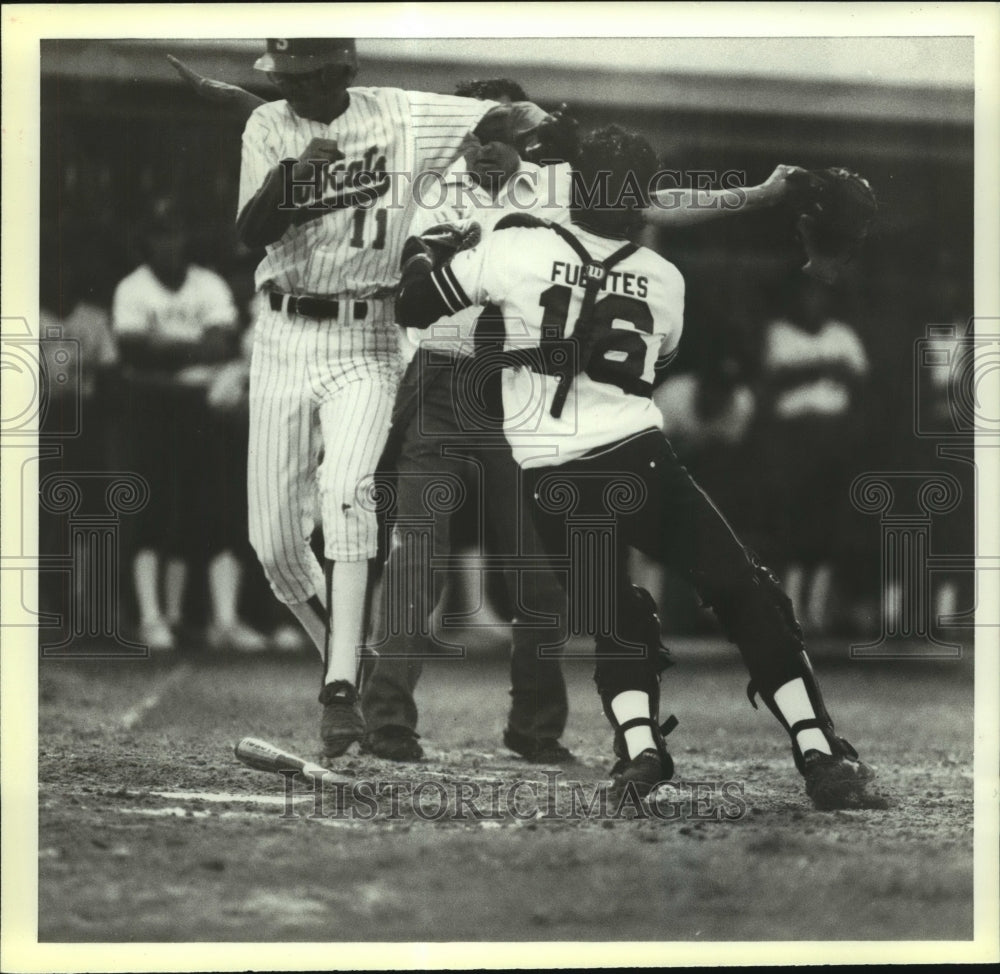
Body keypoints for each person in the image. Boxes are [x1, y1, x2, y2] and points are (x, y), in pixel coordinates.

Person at [396, 125, 887, 811]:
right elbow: (661, 358)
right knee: (745, 592)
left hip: (552, 474)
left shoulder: (512, 246)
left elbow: (412, 307)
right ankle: (816, 748)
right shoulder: (664, 278)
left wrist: (431, 255)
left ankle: (639, 748)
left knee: (616, 616)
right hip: (641, 455)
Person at [234, 38, 545, 760]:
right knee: (280, 545)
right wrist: (291, 176)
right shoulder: (285, 130)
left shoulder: (417, 124)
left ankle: (349, 691)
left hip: (400, 347)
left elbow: (504, 118)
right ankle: (355, 667)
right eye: (284, 81)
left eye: (306, 79)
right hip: (332, 343)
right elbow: (250, 229)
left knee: (354, 501)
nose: (292, 91)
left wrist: (538, 131)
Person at [112, 197, 267, 652]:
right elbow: (132, 352)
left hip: (201, 407)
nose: (169, 242)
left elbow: (221, 346)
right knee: (154, 510)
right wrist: (190, 348)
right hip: (153, 407)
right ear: (147, 240)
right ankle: (152, 617)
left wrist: (162, 347)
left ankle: (223, 619)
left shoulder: (208, 284)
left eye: (175, 232)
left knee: (215, 507)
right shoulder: (132, 288)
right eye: (160, 234)